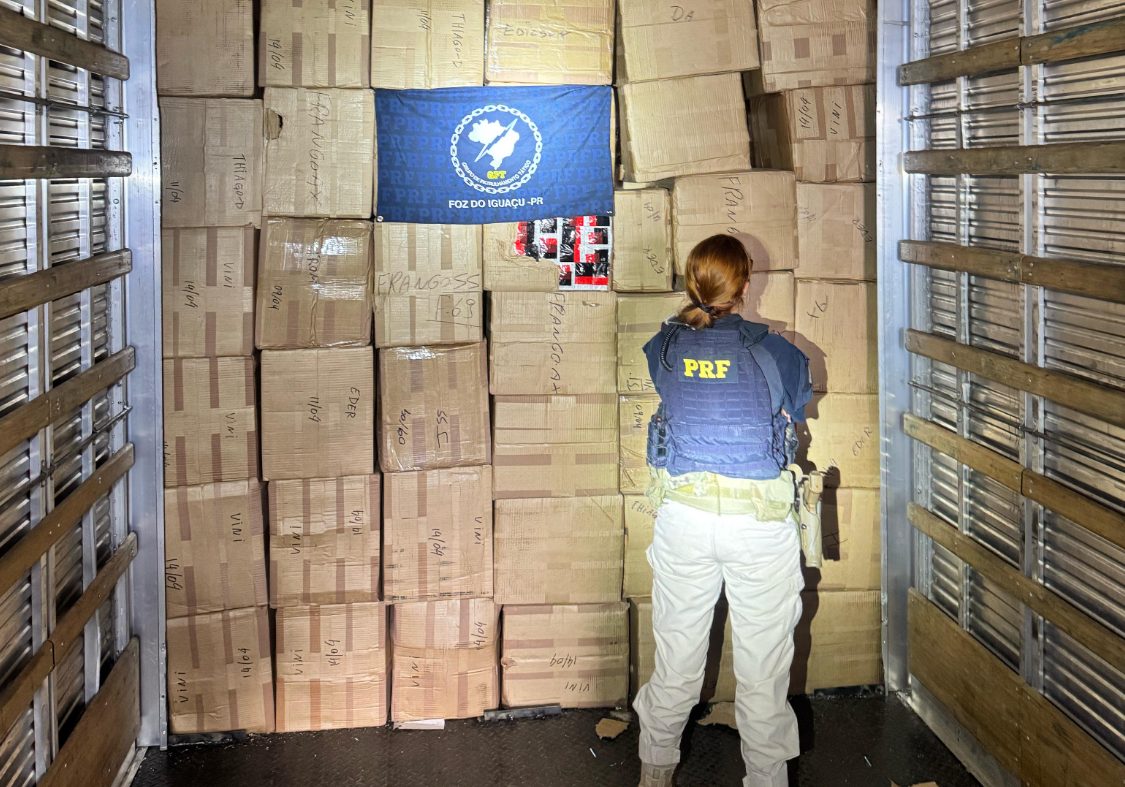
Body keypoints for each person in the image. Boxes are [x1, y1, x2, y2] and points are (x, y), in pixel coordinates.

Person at [635, 234, 813, 787]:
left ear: (692, 281)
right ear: (745, 283)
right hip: (757, 525)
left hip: (684, 522)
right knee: (762, 673)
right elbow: (798, 403)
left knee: (676, 662)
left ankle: (654, 771)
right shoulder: (777, 352)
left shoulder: (663, 347)